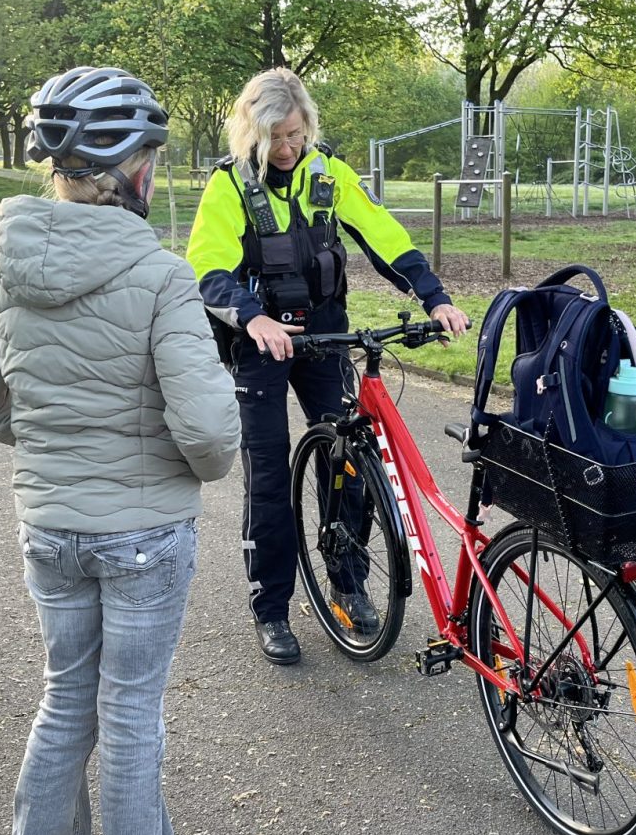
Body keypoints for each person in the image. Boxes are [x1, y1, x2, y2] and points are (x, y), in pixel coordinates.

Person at [0, 65, 239, 835]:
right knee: (132, 713)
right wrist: (153, 463)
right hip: (144, 533)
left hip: (50, 526)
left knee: (66, 698)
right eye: (151, 154)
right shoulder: (158, 273)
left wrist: (57, 451)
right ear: (132, 168)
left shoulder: (1, 261)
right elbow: (210, 433)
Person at [186, 67, 470, 666]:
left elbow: (384, 235)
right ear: (252, 135)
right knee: (268, 477)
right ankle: (272, 608)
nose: (287, 149)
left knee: (352, 462)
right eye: (275, 139)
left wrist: (435, 296)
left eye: (295, 134)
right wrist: (251, 318)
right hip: (258, 341)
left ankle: (348, 583)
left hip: (323, 332)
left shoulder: (328, 172)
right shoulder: (229, 187)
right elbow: (207, 268)